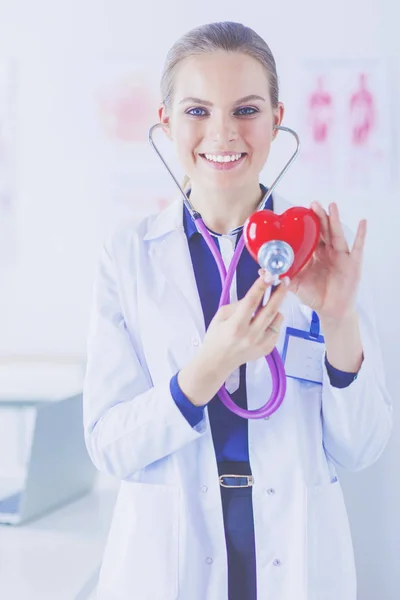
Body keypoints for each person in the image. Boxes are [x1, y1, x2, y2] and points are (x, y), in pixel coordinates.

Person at [82, 21, 392, 600]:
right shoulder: (128, 257)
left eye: (245, 109)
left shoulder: (324, 248)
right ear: (166, 121)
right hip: (167, 566)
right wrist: (205, 370)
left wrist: (340, 321)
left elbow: (363, 447)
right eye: (197, 110)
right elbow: (109, 445)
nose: (222, 132)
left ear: (277, 119)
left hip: (296, 561)